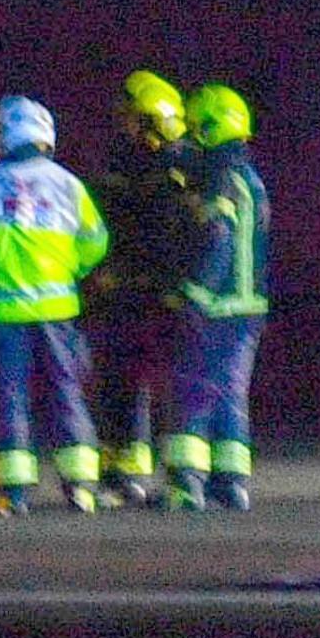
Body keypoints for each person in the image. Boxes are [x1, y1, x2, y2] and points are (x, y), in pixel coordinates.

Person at [0, 95, 112, 513]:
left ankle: (14, 491)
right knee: (66, 393)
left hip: (3, 315)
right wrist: (62, 267)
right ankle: (81, 486)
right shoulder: (70, 184)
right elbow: (95, 244)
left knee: (9, 397)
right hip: (57, 313)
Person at [87, 69, 201, 506]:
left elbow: (176, 234)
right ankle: (124, 470)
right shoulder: (122, 162)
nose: (125, 125)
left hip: (161, 294)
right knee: (119, 381)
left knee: (171, 384)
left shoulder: (181, 169)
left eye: (133, 118)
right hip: (124, 291)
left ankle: (181, 477)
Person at [165, 83, 270, 511]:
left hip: (215, 306)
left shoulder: (219, 180)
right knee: (231, 393)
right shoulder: (251, 179)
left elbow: (218, 239)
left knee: (193, 389)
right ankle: (232, 482)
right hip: (250, 307)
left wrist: (194, 293)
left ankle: (187, 483)